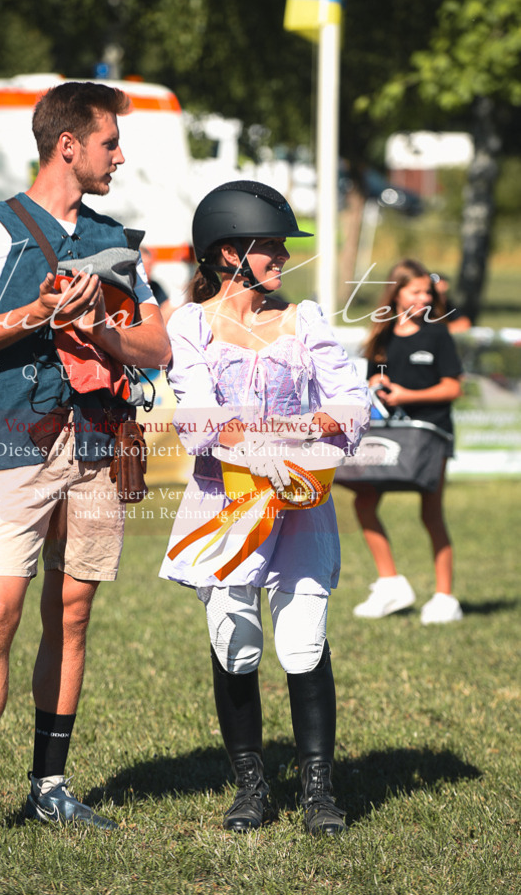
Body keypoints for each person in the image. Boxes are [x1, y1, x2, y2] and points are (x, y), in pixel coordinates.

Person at [0, 82, 171, 844]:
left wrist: (102, 328)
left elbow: (157, 349)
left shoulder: (118, 241)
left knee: (73, 612)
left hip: (96, 442)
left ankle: (49, 787)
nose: (118, 157)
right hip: (16, 440)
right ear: (69, 145)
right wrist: (37, 313)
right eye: (110, 143)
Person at [158, 181, 370, 836]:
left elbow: (354, 405)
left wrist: (296, 443)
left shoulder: (306, 320)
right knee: (238, 643)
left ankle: (317, 789)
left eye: (281, 245)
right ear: (226, 254)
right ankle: (251, 784)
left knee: (303, 641)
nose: (282, 256)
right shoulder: (189, 326)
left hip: (301, 503)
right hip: (226, 504)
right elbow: (197, 421)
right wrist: (264, 447)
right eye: (268, 245)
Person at [352, 258, 464, 624]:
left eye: (427, 292)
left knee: (431, 513)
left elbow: (453, 386)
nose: (423, 298)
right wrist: (375, 388)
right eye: (415, 291)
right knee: (364, 502)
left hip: (431, 435)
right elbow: (374, 380)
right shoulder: (380, 335)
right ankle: (390, 584)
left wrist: (406, 396)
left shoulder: (437, 333)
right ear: (396, 292)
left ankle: (445, 598)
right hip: (388, 436)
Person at [140, 244, 174, 321]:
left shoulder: (155, 286)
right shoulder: (130, 289)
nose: (148, 270)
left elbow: (166, 305)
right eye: (144, 266)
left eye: (150, 266)